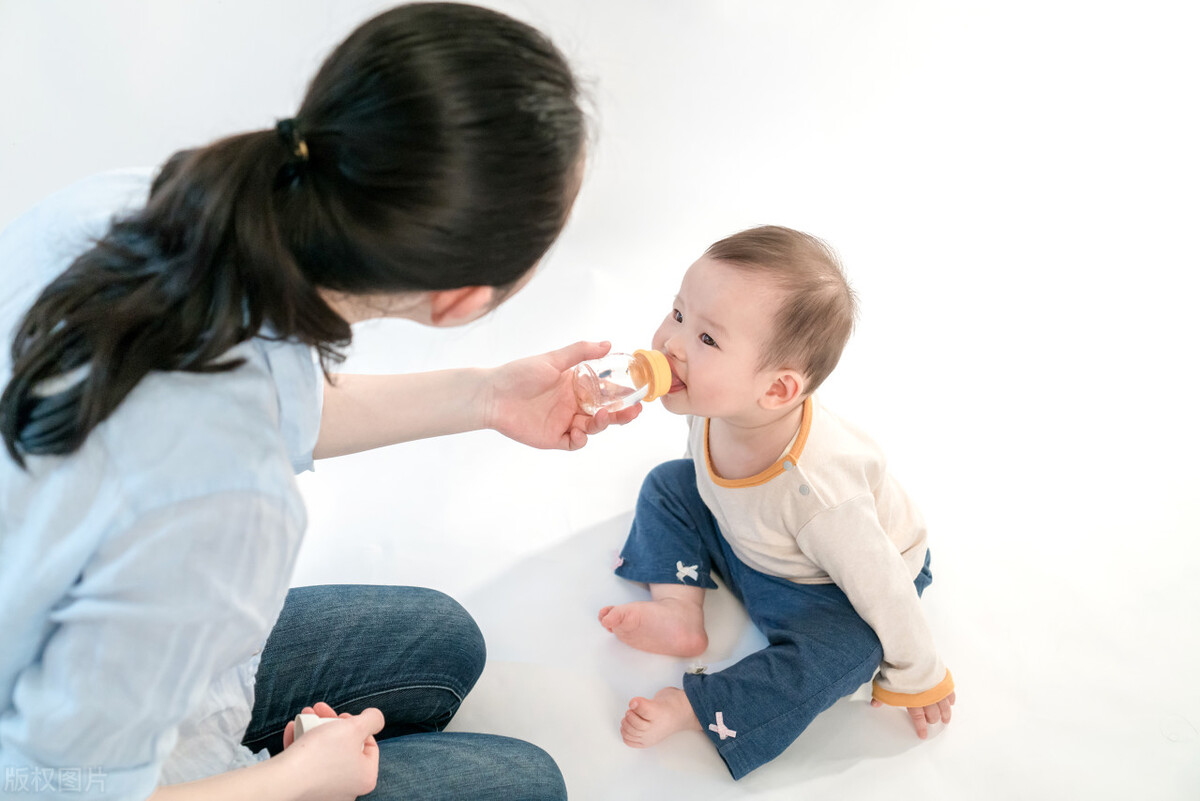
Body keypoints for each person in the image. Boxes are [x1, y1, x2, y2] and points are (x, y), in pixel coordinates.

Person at [0, 4, 637, 800]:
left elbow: (245, 405)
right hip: (52, 766)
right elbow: (48, 787)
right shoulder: (229, 506)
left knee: (440, 640)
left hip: (55, 642)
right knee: (526, 783)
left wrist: (484, 396)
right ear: (461, 300)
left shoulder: (133, 208)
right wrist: (300, 778)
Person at [597, 225, 955, 779]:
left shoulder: (821, 490)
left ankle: (699, 705)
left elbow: (883, 587)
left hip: (831, 583)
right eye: (678, 313)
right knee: (670, 483)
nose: (672, 344)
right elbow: (704, 479)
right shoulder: (715, 403)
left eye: (707, 339)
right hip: (753, 538)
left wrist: (920, 675)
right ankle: (678, 610)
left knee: (850, 652)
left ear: (777, 390)